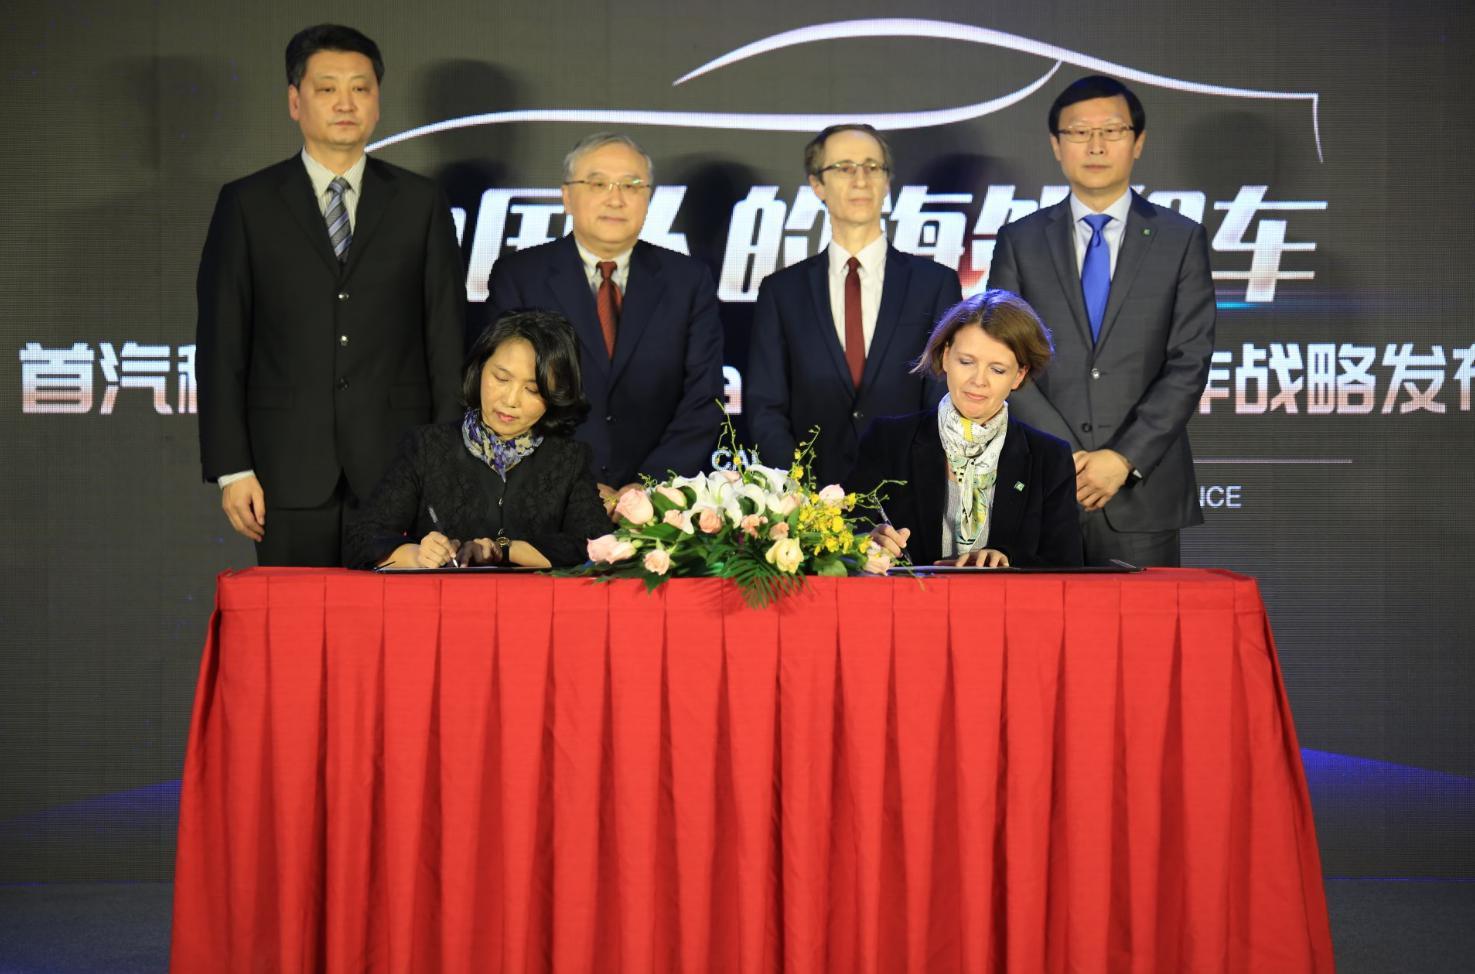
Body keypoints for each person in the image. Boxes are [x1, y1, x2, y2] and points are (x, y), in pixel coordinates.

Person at [196, 24, 465, 566]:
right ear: (295, 102)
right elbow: (222, 344)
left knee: (393, 617)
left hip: (399, 465)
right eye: (327, 88)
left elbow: (446, 338)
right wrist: (233, 468)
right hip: (284, 470)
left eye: (361, 88)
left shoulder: (420, 202)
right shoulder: (248, 204)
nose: (346, 103)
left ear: (378, 102)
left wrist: (445, 465)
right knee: (296, 615)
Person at [986, 75, 1215, 567]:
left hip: (1140, 493)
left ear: (1138, 142)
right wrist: (1063, 456)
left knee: (1143, 620)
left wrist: (1123, 458)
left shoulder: (1180, 239)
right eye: (1079, 132)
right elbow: (1001, 357)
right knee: (1037, 619)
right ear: (1056, 145)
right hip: (1043, 488)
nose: (1095, 145)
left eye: (1111, 130)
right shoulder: (1020, 241)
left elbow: (1189, 361)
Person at [485, 132, 725, 500]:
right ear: (567, 196)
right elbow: (501, 396)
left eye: (631, 185)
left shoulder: (688, 280)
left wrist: (648, 487)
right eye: (598, 184)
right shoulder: (520, 277)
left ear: (648, 198)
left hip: (661, 503)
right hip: (547, 496)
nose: (616, 198)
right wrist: (571, 483)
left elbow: (703, 400)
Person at [747, 124, 962, 486]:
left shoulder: (935, 284)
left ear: (887, 182)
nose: (861, 180)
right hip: (808, 501)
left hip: (907, 496)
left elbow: (945, 396)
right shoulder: (781, 291)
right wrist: (799, 489)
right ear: (817, 185)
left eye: (872, 167)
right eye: (844, 168)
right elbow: (765, 406)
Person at [343, 310, 610, 570]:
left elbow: (598, 545)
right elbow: (360, 539)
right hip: (440, 598)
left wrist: (502, 550)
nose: (510, 400)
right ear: (479, 368)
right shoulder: (427, 447)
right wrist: (417, 556)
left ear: (556, 394)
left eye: (532, 390)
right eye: (501, 378)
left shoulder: (568, 458)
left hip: (532, 601)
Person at [849, 291, 1083, 568]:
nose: (978, 380)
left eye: (997, 370)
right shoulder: (887, 441)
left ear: (1018, 375)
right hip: (910, 596)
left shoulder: (1050, 457)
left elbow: (1067, 567)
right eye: (966, 362)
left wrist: (1008, 562)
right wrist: (863, 544)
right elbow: (846, 533)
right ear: (946, 356)